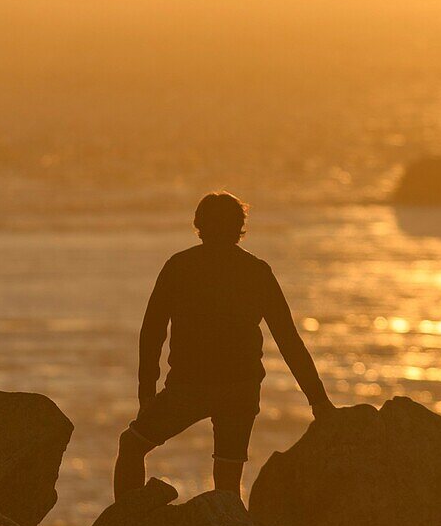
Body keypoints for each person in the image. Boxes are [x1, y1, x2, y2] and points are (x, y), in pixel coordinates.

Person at [114, 192, 334, 500]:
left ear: (199, 226)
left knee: (132, 445)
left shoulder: (179, 266)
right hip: (240, 389)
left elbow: (151, 333)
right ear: (239, 228)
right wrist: (318, 400)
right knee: (228, 482)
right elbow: (288, 340)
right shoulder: (256, 271)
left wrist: (146, 392)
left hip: (190, 387)